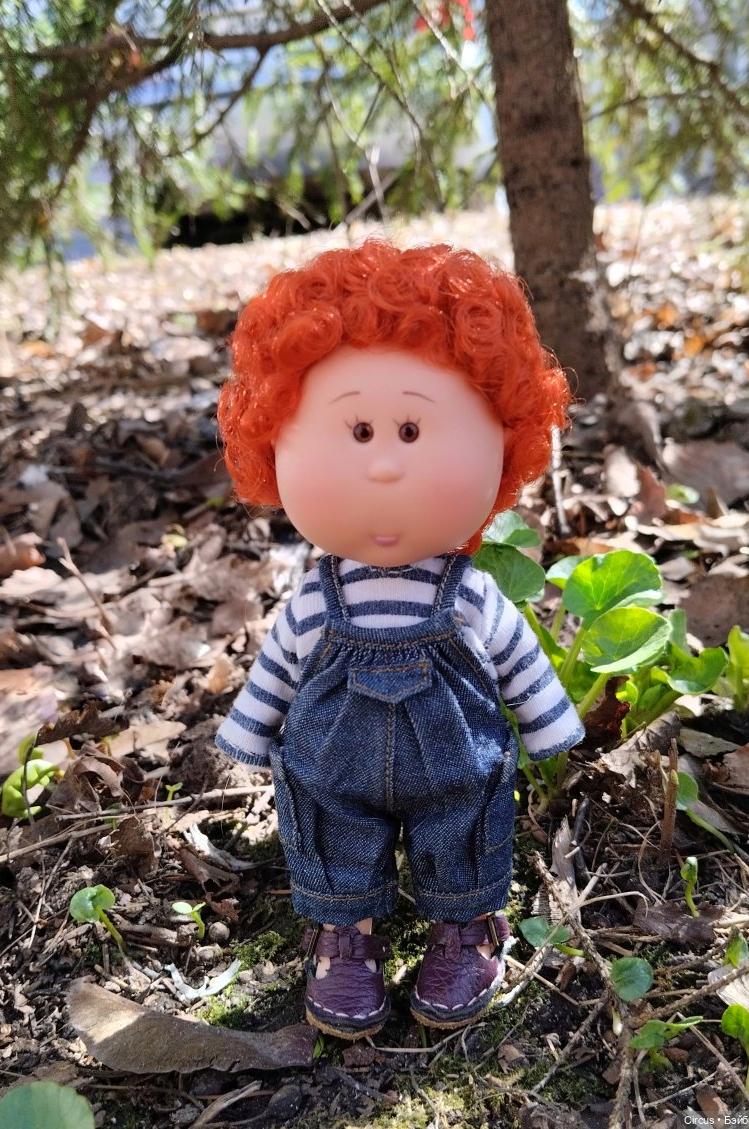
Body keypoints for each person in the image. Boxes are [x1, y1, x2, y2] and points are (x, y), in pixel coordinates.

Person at [215, 239, 584, 1040]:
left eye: (413, 429)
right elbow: (277, 670)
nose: (384, 465)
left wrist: (550, 728)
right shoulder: (315, 600)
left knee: (465, 823)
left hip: (455, 762)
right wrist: (247, 735)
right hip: (334, 764)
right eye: (356, 430)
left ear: (504, 441)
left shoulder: (470, 596)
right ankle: (344, 933)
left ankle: (466, 926)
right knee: (331, 825)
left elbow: (517, 660)